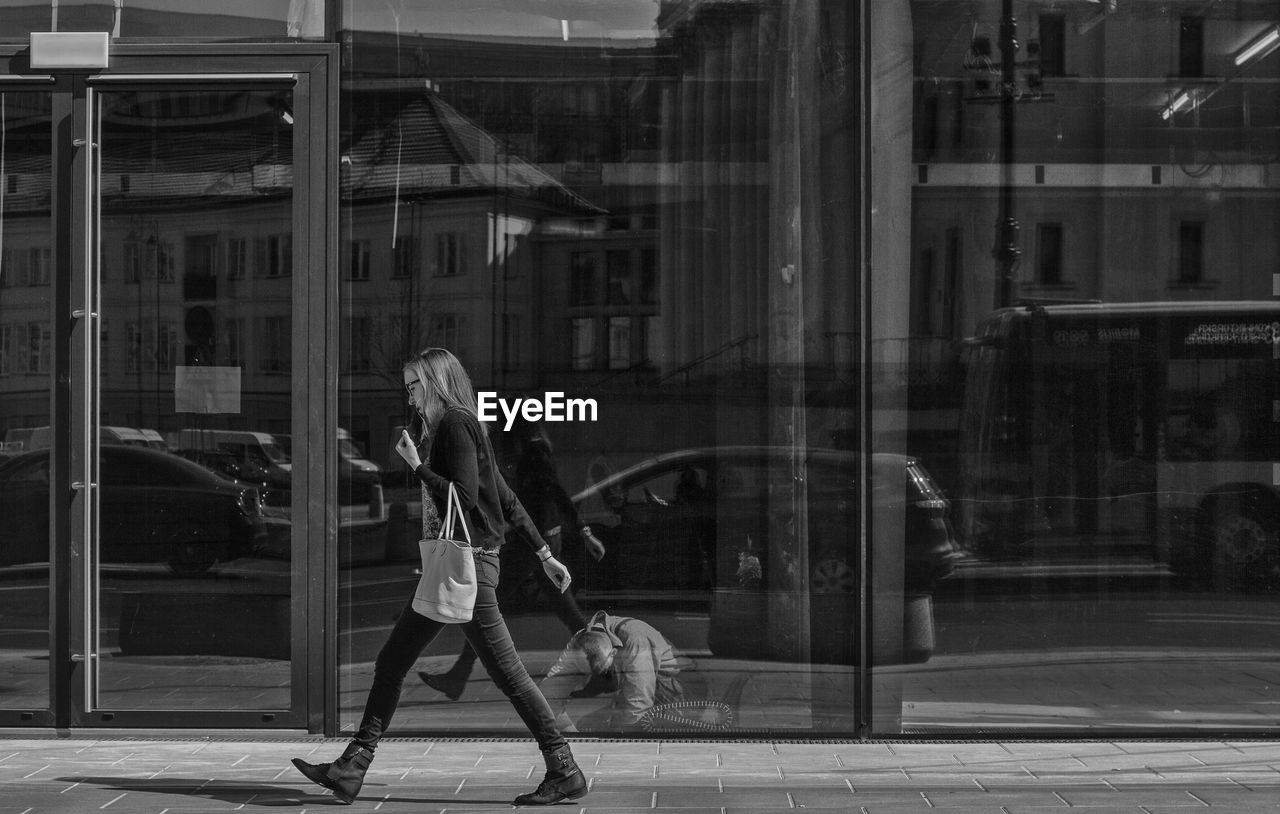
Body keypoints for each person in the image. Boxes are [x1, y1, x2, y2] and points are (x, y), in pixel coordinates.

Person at [290, 348, 587, 807]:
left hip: (470, 566)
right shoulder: (460, 426)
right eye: (406, 386)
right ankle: (351, 768)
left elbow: (465, 497)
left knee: (508, 674)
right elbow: (504, 498)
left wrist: (416, 466)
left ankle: (564, 768)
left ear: (436, 381)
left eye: (414, 385)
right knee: (392, 663)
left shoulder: (454, 425)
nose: (409, 396)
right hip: (452, 566)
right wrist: (545, 553)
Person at [418, 420, 610, 701]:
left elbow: (551, 493)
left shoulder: (534, 455)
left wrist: (583, 531)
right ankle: (606, 674)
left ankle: (458, 677)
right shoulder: (538, 451)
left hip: (533, 545)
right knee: (567, 613)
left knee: (485, 606)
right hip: (542, 541)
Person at [545, 611, 685, 730]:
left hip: (672, 688)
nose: (594, 677)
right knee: (588, 725)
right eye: (585, 673)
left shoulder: (634, 639)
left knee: (619, 727)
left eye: (602, 671)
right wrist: (572, 735)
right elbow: (549, 694)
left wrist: (618, 739)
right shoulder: (579, 642)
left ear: (613, 653)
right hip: (629, 688)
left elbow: (638, 704)